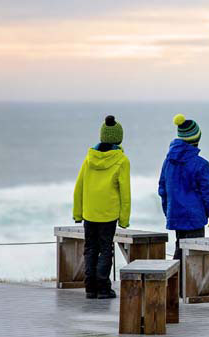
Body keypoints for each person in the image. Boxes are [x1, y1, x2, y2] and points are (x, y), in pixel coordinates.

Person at [73, 115, 131, 299]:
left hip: (89, 213)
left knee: (90, 248)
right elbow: (125, 193)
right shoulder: (122, 160)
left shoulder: (89, 158)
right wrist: (124, 219)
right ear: (119, 138)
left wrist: (77, 213)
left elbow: (79, 186)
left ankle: (90, 288)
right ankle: (103, 288)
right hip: (108, 214)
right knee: (106, 249)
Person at [159, 114, 209, 267]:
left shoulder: (168, 162)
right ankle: (175, 281)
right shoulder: (201, 164)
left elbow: (162, 190)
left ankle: (175, 280)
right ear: (197, 139)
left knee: (180, 249)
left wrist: (169, 212)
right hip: (194, 218)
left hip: (176, 216)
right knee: (193, 258)